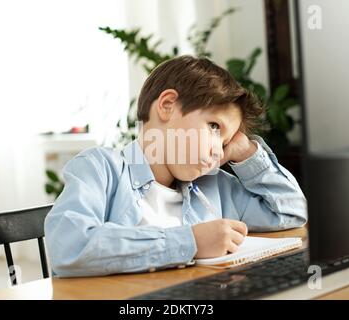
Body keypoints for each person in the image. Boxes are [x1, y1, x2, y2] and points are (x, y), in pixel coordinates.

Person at [44, 55, 307, 277]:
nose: (218, 150)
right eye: (214, 127)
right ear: (168, 105)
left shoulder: (214, 186)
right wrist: (190, 242)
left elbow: (291, 212)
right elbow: (69, 246)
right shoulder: (100, 169)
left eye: (226, 141)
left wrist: (246, 152)